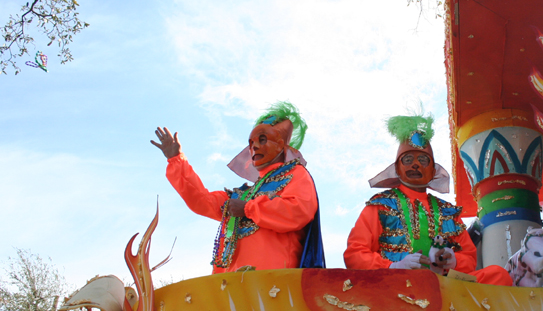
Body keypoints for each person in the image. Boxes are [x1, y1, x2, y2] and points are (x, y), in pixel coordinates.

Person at [152, 102, 324, 273]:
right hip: (230, 289)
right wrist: (176, 159)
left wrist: (249, 209)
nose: (254, 146)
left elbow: (299, 211)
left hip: (274, 287)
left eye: (262, 139)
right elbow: (201, 201)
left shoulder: (296, 174)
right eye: (251, 142)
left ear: (280, 145)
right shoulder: (240, 196)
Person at [343, 111, 511, 285]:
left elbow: (469, 259)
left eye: (423, 160)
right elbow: (354, 254)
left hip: (444, 286)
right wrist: (394, 267)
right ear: (397, 169)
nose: (415, 164)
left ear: (433, 171)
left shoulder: (448, 211)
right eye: (408, 159)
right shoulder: (381, 205)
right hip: (394, 284)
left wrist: (451, 260)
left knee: (499, 275)